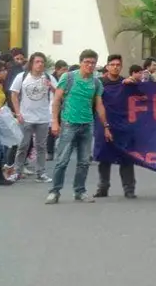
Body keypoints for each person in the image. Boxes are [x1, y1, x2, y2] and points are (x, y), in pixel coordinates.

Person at [45, 49, 112, 204]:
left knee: (83, 162)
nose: (89, 65)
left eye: (93, 63)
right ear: (81, 62)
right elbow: (56, 100)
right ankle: (54, 191)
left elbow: (99, 105)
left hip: (87, 124)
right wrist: (54, 121)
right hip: (69, 123)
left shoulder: (96, 82)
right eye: (86, 62)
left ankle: (80, 191)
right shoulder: (68, 77)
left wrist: (106, 126)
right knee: (62, 160)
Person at [8, 52, 57, 183]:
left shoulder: (49, 77)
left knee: (41, 147)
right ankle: (17, 172)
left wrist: (50, 86)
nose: (40, 64)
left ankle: (41, 173)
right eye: (37, 61)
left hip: (43, 117)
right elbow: (14, 95)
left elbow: (59, 95)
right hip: (26, 117)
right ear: (31, 63)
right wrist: (18, 113)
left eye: (42, 62)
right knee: (23, 145)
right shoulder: (22, 76)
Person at [94, 54, 137, 199]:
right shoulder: (98, 83)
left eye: (118, 65)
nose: (115, 67)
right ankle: (103, 188)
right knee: (104, 157)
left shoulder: (126, 83)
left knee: (126, 158)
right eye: (112, 64)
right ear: (107, 66)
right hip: (103, 123)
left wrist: (134, 83)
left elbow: (142, 97)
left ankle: (129, 189)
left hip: (123, 125)